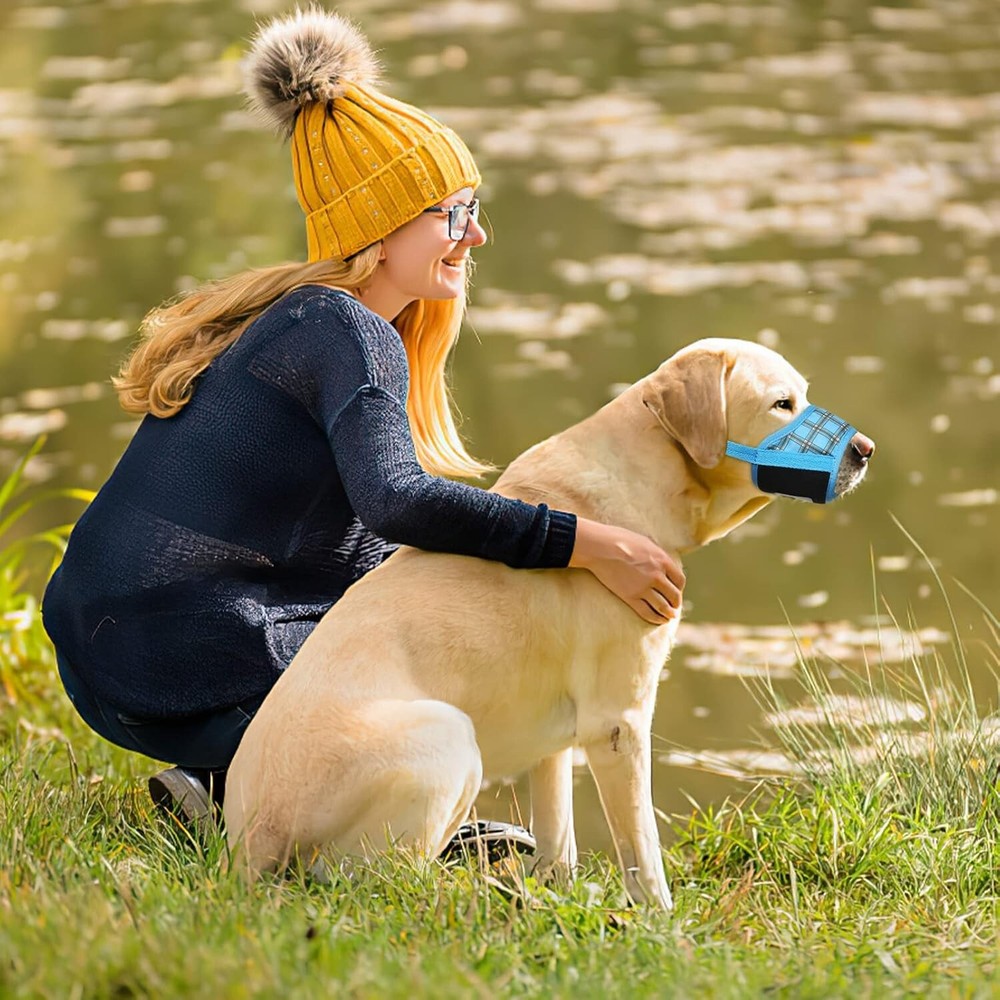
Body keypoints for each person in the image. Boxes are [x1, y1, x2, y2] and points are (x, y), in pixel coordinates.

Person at [41, 9, 684, 852]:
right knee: (399, 675)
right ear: (382, 230)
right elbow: (398, 504)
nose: (476, 234)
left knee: (409, 626)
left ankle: (210, 787)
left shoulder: (299, 318)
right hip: (176, 661)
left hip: (116, 652)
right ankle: (339, 816)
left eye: (474, 208)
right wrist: (582, 542)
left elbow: (371, 551)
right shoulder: (346, 330)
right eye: (453, 213)